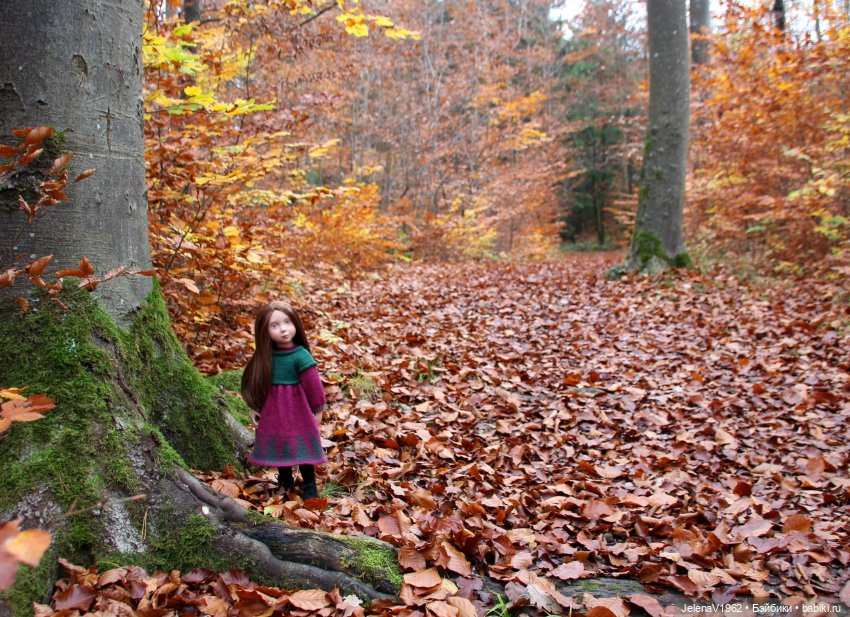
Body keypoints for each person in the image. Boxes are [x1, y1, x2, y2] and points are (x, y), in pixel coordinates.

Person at [241, 301, 327, 499]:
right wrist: (254, 407)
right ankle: (285, 483)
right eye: (275, 325)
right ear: (264, 331)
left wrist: (318, 409)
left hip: (298, 412)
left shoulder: (301, 356)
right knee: (280, 445)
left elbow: (314, 386)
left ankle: (310, 487)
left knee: (304, 446)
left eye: (287, 322)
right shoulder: (265, 357)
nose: (283, 329)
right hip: (274, 413)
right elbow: (255, 382)